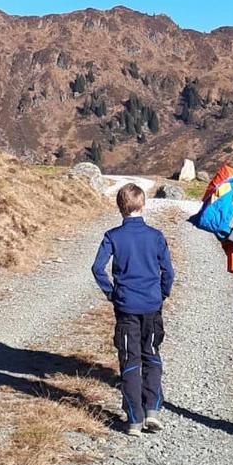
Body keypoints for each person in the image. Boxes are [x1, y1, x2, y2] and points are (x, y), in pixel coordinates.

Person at [91, 183, 175, 436]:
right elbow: (168, 272)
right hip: (152, 305)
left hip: (126, 305)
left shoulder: (112, 236)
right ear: (143, 204)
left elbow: (97, 268)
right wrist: (162, 293)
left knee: (129, 358)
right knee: (151, 353)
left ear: (120, 206)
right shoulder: (156, 236)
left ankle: (134, 418)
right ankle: (153, 409)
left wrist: (111, 293)